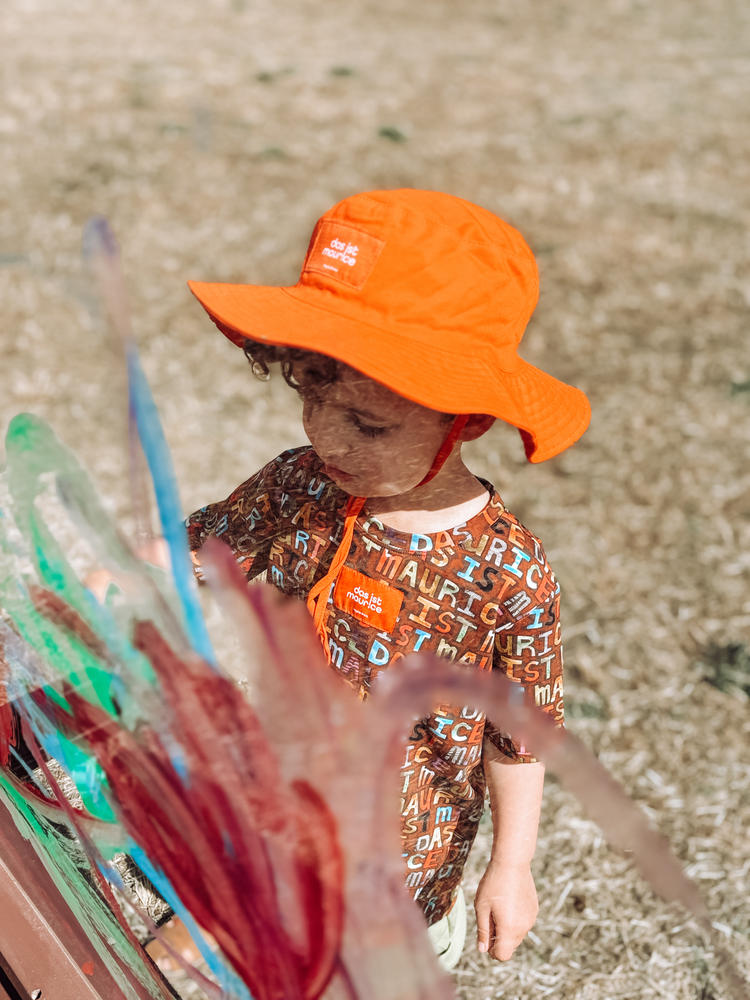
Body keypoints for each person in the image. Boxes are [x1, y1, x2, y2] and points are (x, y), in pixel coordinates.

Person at [184, 188, 590, 969]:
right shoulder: (300, 485)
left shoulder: (505, 572)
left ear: (468, 418)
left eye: (370, 423)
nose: (324, 435)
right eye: (309, 389)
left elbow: (520, 737)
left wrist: (512, 866)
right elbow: (192, 553)